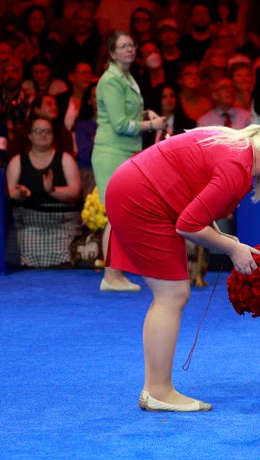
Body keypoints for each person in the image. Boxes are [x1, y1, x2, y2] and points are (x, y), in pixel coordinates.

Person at [104, 121, 260, 412]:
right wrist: (232, 247)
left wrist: (229, 241)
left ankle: (155, 388)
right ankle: (159, 391)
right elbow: (188, 226)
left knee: (169, 296)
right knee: (172, 295)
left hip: (133, 188)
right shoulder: (236, 168)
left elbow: (198, 205)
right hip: (141, 198)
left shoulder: (238, 148)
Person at [92, 30, 166, 292]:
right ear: (112, 53)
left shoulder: (127, 77)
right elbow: (120, 123)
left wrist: (146, 111)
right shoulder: (111, 80)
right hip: (112, 151)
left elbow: (127, 111)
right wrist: (152, 124)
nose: (130, 50)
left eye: (132, 46)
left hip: (125, 151)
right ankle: (111, 276)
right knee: (116, 213)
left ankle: (115, 273)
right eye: (123, 47)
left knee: (122, 213)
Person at [5, 117, 82, 268]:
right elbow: (7, 193)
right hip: (28, 225)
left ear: (53, 136)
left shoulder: (66, 159)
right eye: (38, 131)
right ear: (30, 136)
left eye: (47, 131)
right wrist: (20, 194)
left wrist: (52, 191)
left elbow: (75, 192)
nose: (43, 135)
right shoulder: (17, 161)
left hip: (62, 225)